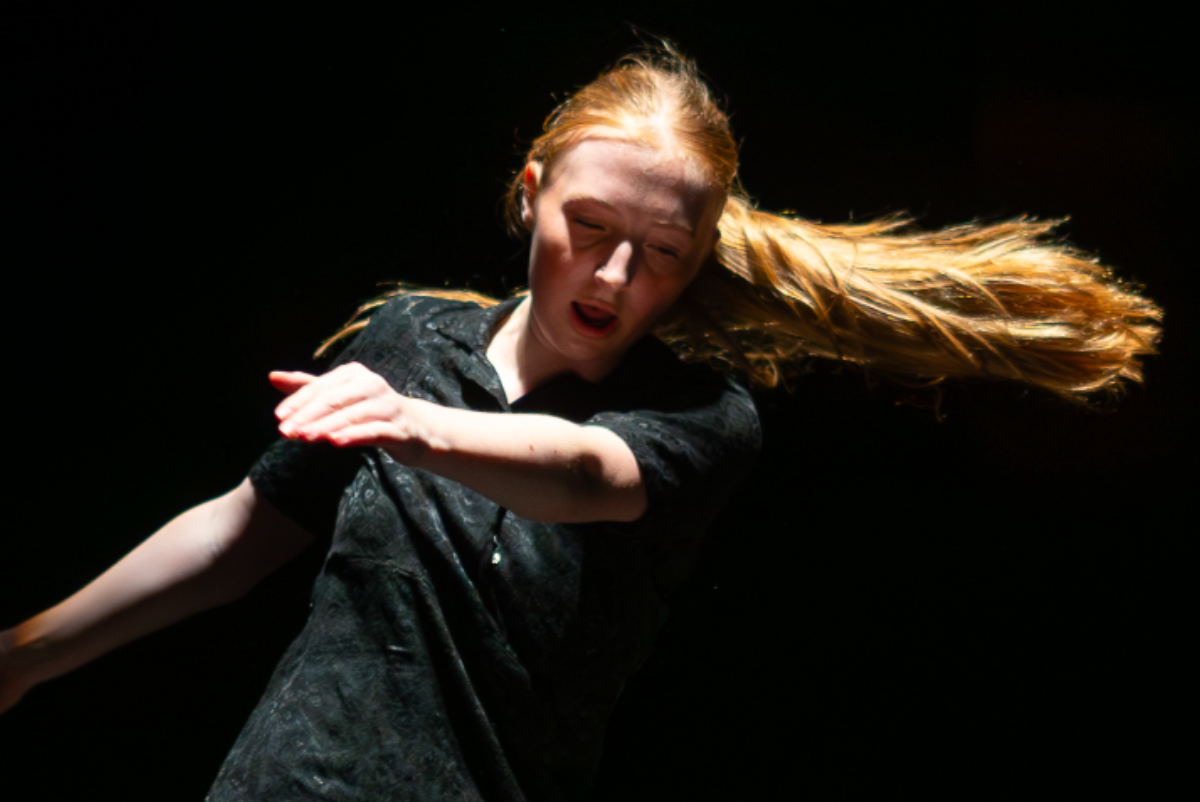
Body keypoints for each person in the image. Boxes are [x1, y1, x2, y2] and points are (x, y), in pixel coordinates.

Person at [0, 44, 1160, 801]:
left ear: (699, 256)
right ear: (529, 192)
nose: (612, 274)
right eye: (590, 226)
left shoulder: (701, 416)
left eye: (661, 254)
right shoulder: (407, 340)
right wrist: (29, 652)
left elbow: (581, 472)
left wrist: (412, 429)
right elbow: (243, 530)